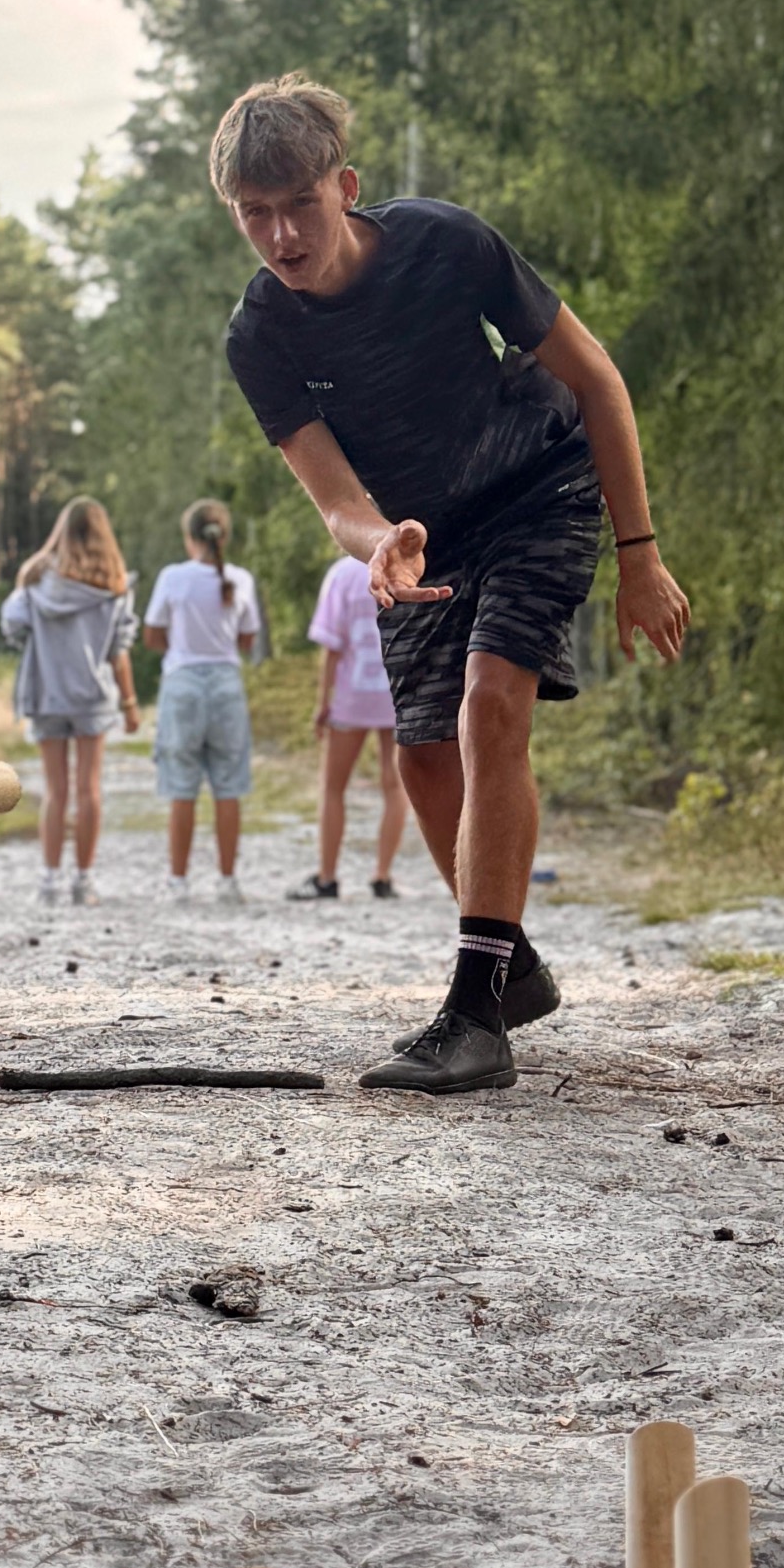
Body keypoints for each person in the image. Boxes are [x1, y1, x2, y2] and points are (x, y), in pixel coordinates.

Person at [215, 74, 689, 1093]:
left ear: (345, 187)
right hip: (424, 540)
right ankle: (510, 965)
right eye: (254, 213)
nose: (282, 235)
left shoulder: (445, 243)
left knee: (489, 706)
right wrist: (379, 542)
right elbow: (333, 495)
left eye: (299, 203)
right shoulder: (260, 336)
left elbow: (596, 376)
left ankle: (473, 1016)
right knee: (422, 759)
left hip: (537, 488)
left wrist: (640, 554)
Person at [0, 496, 140, 906]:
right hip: (92, 698)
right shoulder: (114, 587)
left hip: (47, 694)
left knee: (55, 790)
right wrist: (130, 703)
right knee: (88, 788)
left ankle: (48, 881)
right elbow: (119, 652)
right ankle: (84, 881)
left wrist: (27, 585)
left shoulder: (36, 583)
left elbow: (12, 624)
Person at [145, 499, 261, 905]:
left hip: (183, 683)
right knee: (228, 785)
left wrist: (181, 647)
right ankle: (227, 882)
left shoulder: (173, 577)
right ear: (224, 537)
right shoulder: (240, 579)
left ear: (189, 537)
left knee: (182, 785)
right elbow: (247, 639)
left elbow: (152, 635)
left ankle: (178, 882)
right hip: (226, 683)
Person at [288, 551, 407, 902]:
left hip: (352, 696)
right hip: (395, 693)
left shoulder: (341, 575)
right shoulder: (404, 568)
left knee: (333, 786)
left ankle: (327, 877)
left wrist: (322, 703)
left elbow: (332, 647)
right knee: (394, 785)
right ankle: (382, 876)